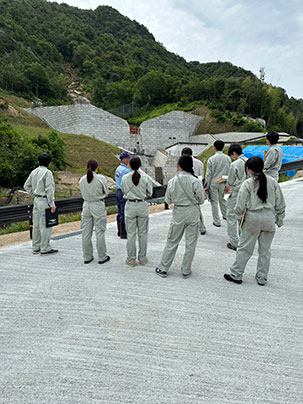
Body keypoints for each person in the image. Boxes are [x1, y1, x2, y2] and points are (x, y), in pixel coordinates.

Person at [224, 156, 285, 286]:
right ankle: (262, 277)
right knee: (265, 251)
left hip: (252, 218)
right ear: (263, 167)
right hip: (269, 218)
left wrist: (240, 219)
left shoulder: (247, 184)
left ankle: (236, 274)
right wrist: (279, 219)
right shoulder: (273, 182)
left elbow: (240, 206)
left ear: (249, 169)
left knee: (244, 249)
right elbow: (280, 203)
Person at [155, 155, 205, 279]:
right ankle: (186, 270)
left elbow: (168, 199)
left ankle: (163, 268)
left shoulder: (173, 181)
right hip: (193, 212)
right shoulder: (196, 181)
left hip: (179, 212)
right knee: (191, 243)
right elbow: (202, 200)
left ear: (179, 166)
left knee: (172, 241)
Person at [24, 153, 58, 255]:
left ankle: (36, 247)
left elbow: (26, 186)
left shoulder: (34, 172)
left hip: (36, 200)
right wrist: (52, 204)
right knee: (46, 225)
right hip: (44, 201)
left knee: (36, 225)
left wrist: (34, 193)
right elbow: (49, 189)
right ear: (49, 162)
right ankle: (45, 248)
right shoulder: (47, 173)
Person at [121, 157, 153, 266]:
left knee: (131, 234)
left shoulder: (125, 178)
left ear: (129, 165)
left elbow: (123, 190)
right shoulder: (145, 178)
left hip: (130, 205)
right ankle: (142, 258)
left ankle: (131, 259)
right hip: (142, 205)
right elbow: (150, 192)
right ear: (140, 165)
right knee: (143, 234)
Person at [79, 159, 110, 265]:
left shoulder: (82, 179)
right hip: (98, 205)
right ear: (97, 168)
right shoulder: (101, 178)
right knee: (100, 232)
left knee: (86, 233)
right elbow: (106, 192)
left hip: (86, 205)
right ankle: (102, 256)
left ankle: (87, 256)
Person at [225, 144, 247, 251]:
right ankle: (244, 241)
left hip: (237, 192)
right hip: (248, 193)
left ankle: (234, 242)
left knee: (231, 216)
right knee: (244, 217)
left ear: (234, 153)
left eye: (231, 155)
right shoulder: (249, 161)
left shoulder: (235, 164)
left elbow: (230, 181)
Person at [205, 140, 231, 227]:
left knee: (214, 202)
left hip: (214, 182)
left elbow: (209, 174)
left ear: (214, 148)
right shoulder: (228, 158)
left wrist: (206, 185)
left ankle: (217, 221)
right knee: (223, 200)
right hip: (223, 181)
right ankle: (226, 215)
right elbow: (229, 172)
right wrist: (228, 184)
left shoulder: (211, 159)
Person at [181, 147, 206, 235]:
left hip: (185, 187)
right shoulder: (199, 162)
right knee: (197, 208)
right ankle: (202, 227)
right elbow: (201, 176)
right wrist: (200, 185)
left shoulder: (181, 162)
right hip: (197, 186)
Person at [115, 152, 131, 239]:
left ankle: (119, 231)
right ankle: (124, 233)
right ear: (124, 159)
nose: (129, 160)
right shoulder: (126, 171)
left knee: (120, 211)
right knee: (124, 211)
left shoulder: (118, 169)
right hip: (124, 192)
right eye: (128, 158)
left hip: (118, 191)